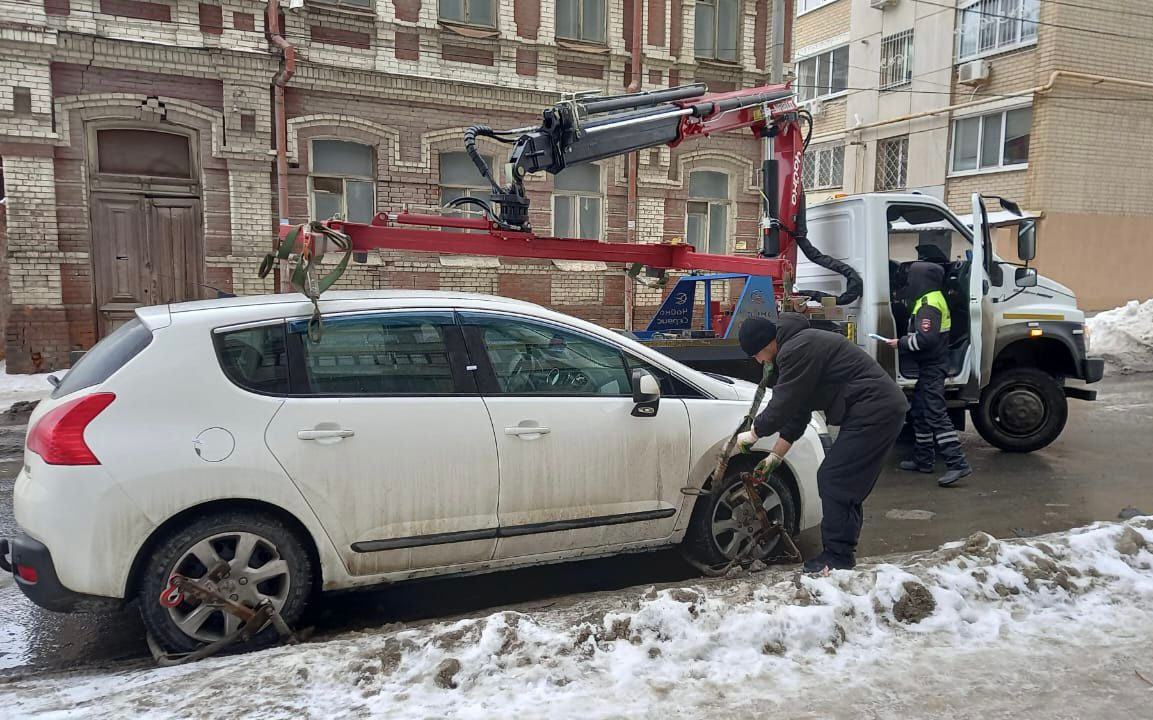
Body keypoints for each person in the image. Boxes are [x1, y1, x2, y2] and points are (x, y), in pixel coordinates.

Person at [734, 313, 908, 574]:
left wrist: (754, 433)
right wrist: (774, 458)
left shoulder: (796, 350)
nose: (758, 362)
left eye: (756, 355)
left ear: (764, 346)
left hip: (874, 410)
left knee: (836, 479)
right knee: (843, 482)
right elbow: (798, 411)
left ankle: (837, 557)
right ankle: (840, 553)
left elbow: (784, 403)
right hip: (872, 410)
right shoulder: (798, 345)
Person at [887, 261, 972, 487]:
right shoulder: (930, 299)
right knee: (920, 411)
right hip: (929, 366)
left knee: (935, 413)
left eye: (912, 278)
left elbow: (926, 339)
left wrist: (901, 343)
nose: (909, 282)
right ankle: (924, 460)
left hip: (933, 367)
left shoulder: (929, 305)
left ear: (922, 281)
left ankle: (958, 464)